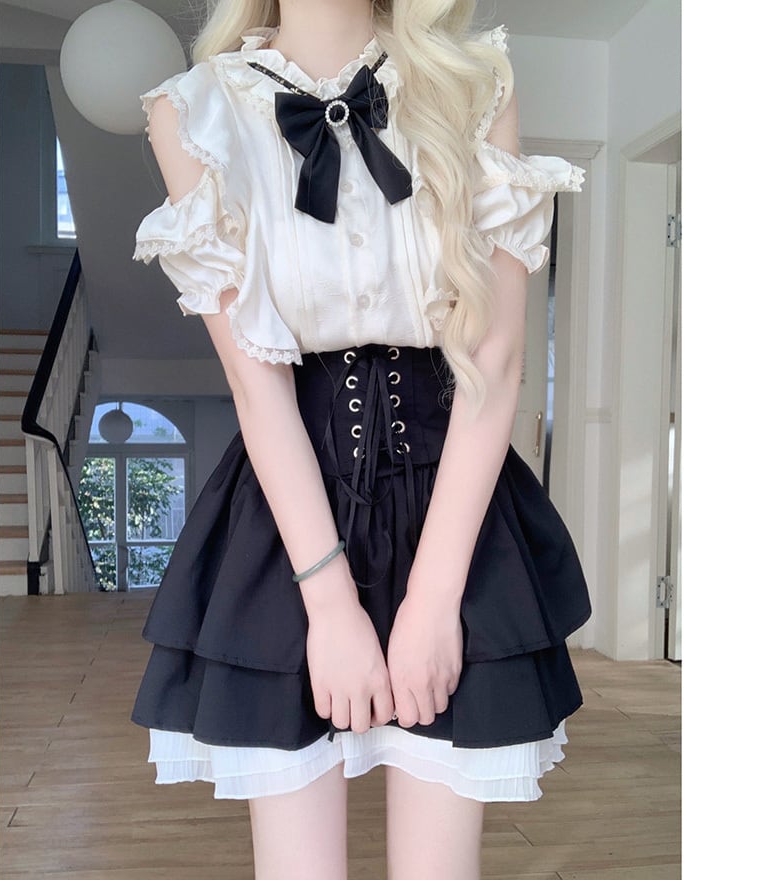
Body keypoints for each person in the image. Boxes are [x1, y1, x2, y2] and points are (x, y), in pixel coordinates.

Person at [131, 1, 591, 878]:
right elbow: (256, 385)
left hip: (454, 509)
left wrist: (434, 599)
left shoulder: (473, 83)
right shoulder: (192, 112)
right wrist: (331, 605)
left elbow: (495, 360)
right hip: (287, 525)